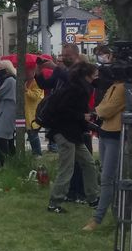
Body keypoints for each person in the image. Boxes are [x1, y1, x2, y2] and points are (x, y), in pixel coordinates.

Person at [40, 61, 101, 214]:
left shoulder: (77, 86)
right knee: (67, 168)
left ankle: (93, 197)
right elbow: (64, 110)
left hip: (72, 133)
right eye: (95, 74)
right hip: (65, 132)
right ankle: (55, 203)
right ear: (87, 75)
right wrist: (83, 116)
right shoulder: (78, 89)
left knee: (88, 163)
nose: (97, 77)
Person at [84, 71, 124, 232]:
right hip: (106, 132)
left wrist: (97, 112)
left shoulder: (122, 88)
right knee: (107, 177)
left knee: (107, 178)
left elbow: (106, 109)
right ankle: (117, 217)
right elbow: (103, 105)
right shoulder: (114, 86)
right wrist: (99, 111)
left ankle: (98, 218)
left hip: (115, 133)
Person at [0, 59, 17, 167]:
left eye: (0, 69)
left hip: (5, 111)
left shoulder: (9, 80)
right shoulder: (10, 80)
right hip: (5, 110)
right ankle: (8, 161)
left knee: (1, 137)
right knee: (6, 138)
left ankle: (5, 161)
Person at [24, 67, 45, 156]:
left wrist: (26, 90)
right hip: (26, 111)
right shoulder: (25, 82)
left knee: (33, 133)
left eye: (29, 70)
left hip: (34, 111)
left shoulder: (37, 82)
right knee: (30, 133)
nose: (27, 72)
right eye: (26, 71)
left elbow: (36, 96)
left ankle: (38, 153)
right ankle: (34, 152)